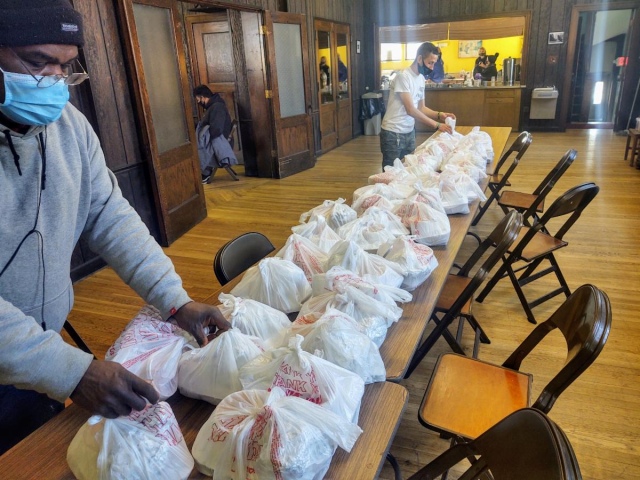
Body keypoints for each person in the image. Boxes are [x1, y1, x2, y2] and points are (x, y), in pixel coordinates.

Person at [0, 0, 231, 454]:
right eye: (37, 62)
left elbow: (110, 217)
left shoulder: (69, 127)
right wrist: (73, 372)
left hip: (40, 350)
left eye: (65, 67)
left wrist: (175, 300)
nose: (52, 81)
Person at [379, 42, 456, 170]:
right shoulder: (403, 77)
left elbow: (421, 108)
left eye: (434, 64)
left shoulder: (420, 79)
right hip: (393, 133)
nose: (432, 67)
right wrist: (437, 125)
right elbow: (410, 110)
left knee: (408, 170)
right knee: (390, 173)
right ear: (419, 59)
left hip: (410, 132)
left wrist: (439, 115)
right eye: (430, 63)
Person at [193, 85, 237, 184]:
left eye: (198, 99)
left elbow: (216, 130)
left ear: (202, 97)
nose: (198, 102)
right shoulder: (214, 106)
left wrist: (203, 137)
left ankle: (206, 173)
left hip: (220, 141)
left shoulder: (217, 107)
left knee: (199, 147)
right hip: (218, 138)